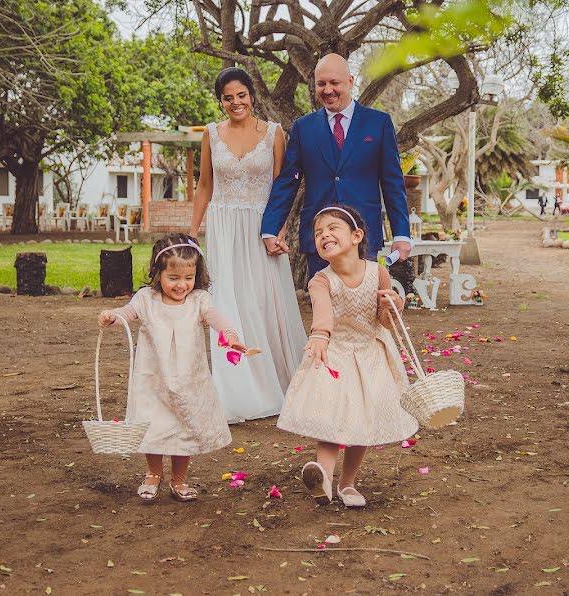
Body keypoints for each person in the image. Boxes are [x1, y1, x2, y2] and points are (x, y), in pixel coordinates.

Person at [276, 205, 419, 508]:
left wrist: (395, 302)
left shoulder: (378, 272)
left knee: (362, 422)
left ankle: (348, 483)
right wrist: (319, 334)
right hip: (334, 351)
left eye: (332, 229)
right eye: (317, 233)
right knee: (331, 418)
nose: (323, 235)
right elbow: (323, 314)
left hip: (370, 352)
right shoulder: (320, 280)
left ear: (356, 236)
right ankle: (324, 480)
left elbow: (384, 320)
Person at [190, 67, 307, 423]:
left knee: (263, 300)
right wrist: (192, 232)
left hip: (262, 226)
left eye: (241, 95)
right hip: (224, 227)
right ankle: (238, 392)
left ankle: (277, 382)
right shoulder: (211, 134)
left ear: (252, 96)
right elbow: (205, 186)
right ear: (220, 101)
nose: (236, 102)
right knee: (228, 300)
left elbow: (281, 186)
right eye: (228, 97)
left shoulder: (274, 133)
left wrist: (278, 230)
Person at [98, 234, 245, 502]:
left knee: (183, 427)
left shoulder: (198, 300)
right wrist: (113, 316)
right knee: (152, 424)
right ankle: (153, 473)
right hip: (153, 379)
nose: (181, 285)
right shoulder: (147, 299)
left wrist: (230, 333)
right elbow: (128, 312)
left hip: (188, 379)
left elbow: (215, 317)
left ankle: (179, 480)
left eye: (188, 278)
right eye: (173, 278)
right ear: (158, 273)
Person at [260, 53, 414, 280]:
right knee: (323, 308)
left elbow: (393, 184)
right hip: (319, 238)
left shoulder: (378, 123)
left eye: (335, 83)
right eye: (321, 84)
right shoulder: (304, 128)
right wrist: (270, 228)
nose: (328, 90)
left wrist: (401, 233)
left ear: (350, 81)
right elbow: (288, 181)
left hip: (363, 236)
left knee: (363, 309)